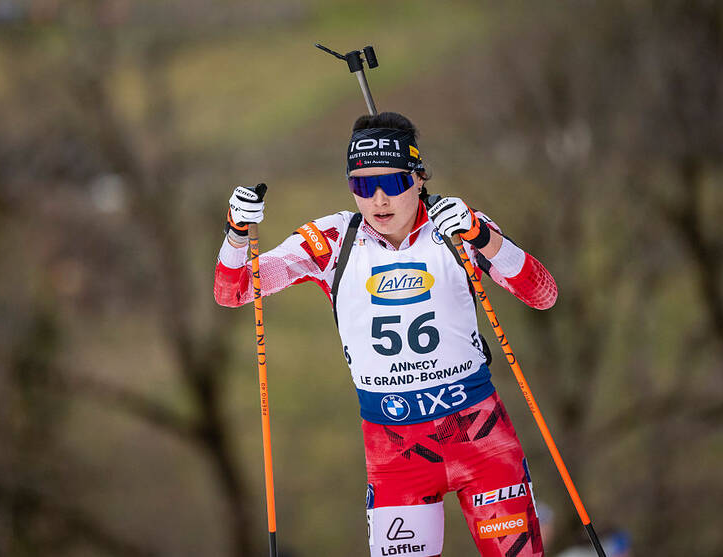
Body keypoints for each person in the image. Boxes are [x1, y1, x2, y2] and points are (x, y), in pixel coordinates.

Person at [214, 112, 558, 557]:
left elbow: (542, 294)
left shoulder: (455, 228)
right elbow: (236, 290)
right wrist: (237, 232)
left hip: (480, 438)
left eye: (392, 183)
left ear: (418, 178)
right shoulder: (334, 239)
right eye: (362, 185)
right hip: (397, 455)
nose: (378, 199)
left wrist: (483, 236)